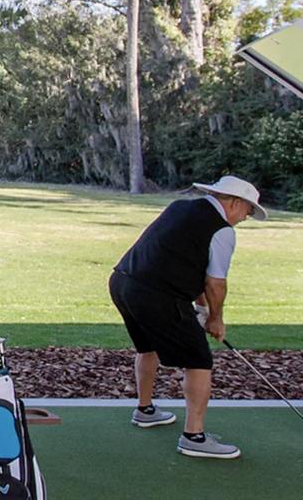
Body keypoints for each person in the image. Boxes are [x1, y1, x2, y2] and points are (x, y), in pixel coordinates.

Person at [108, 175, 266, 460]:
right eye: (248, 210)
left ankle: (145, 411)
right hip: (156, 294)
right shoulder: (222, 231)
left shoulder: (179, 207)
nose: (246, 218)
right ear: (234, 203)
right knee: (199, 360)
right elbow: (215, 283)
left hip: (123, 282)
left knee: (148, 347)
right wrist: (216, 319)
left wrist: (203, 311)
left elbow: (186, 265)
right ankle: (194, 436)